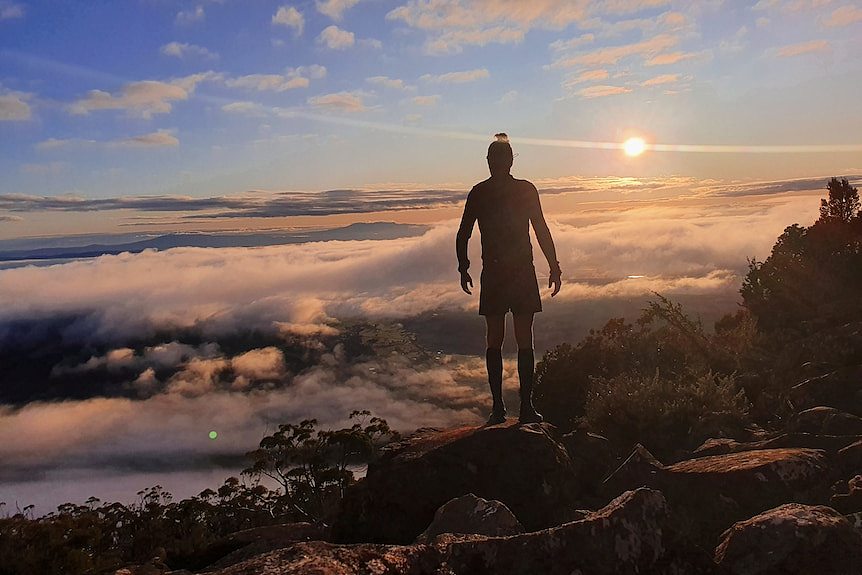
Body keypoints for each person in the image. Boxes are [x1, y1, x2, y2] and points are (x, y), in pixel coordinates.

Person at [456, 133, 562, 425]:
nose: (495, 163)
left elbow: (463, 233)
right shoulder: (525, 190)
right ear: (510, 161)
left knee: (496, 339)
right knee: (522, 338)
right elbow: (541, 229)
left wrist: (463, 266)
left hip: (495, 272)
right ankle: (524, 408)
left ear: (493, 161)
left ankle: (499, 408)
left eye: (495, 159)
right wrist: (554, 265)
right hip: (518, 271)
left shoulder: (479, 192)